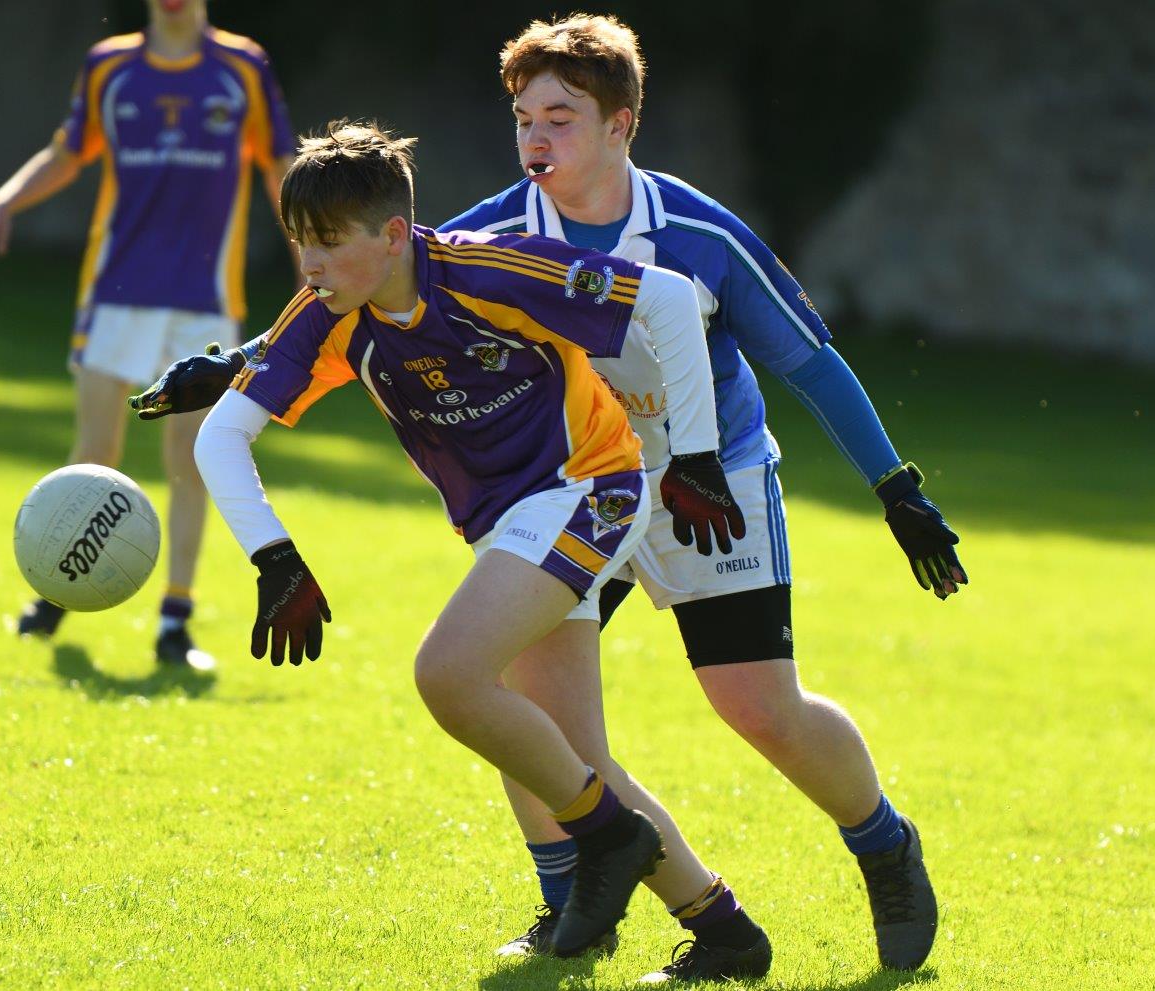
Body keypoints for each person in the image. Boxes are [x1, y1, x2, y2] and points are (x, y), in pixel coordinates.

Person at [151, 118, 776, 978]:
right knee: (572, 751)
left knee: (447, 675)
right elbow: (221, 437)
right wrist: (275, 558)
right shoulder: (326, 315)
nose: (311, 265)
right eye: (300, 242)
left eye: (329, 243)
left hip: (594, 487)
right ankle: (726, 932)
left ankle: (608, 841)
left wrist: (697, 455)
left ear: (394, 234)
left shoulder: (487, 269)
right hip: (510, 522)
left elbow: (666, 300)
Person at [432, 13, 969, 977]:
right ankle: (573, 905)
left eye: (561, 116)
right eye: (523, 119)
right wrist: (242, 368)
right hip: (571, 489)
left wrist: (897, 488)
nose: (536, 138)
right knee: (532, 712)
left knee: (760, 708)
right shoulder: (487, 236)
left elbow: (811, 363)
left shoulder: (697, 233)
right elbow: (363, 294)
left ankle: (884, 844)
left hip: (709, 485)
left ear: (620, 125)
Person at [0, 0, 296, 669]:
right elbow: (66, 153)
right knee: (94, 450)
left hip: (204, 300)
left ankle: (175, 618)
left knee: (192, 457)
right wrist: (1, 202)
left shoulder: (242, 68)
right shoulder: (109, 68)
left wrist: (312, 258)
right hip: (115, 294)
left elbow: (280, 169)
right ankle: (58, 589)